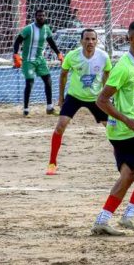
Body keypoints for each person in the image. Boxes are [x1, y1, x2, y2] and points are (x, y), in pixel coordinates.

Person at [91, 20, 134, 236]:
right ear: (130, 40)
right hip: (126, 129)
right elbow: (101, 100)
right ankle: (130, 215)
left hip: (119, 129)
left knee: (128, 174)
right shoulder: (123, 67)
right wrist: (126, 119)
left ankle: (102, 220)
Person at [47, 29, 112, 176]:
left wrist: (105, 94)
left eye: (93, 39)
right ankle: (52, 163)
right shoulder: (72, 56)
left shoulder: (103, 56)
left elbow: (107, 72)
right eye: (87, 39)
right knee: (60, 127)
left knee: (112, 129)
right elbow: (63, 74)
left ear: (97, 41)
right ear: (81, 41)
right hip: (74, 96)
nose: (90, 42)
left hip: (96, 97)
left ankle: (123, 160)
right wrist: (61, 97)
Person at [12, 9, 63, 116]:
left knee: (48, 81)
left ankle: (49, 108)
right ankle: (26, 110)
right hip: (28, 60)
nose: (41, 17)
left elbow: (51, 42)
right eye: (39, 15)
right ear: (35, 17)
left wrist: (58, 53)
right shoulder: (28, 29)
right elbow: (17, 41)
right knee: (29, 83)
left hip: (40, 60)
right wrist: (16, 54)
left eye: (43, 15)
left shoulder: (46, 29)